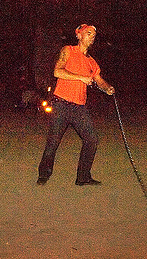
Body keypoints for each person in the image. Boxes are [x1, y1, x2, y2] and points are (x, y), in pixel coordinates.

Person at [37, 24, 115, 186]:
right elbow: (57, 72)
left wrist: (107, 88)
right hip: (61, 105)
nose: (92, 36)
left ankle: (83, 177)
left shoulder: (91, 62)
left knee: (91, 140)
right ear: (79, 35)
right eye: (88, 33)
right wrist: (80, 77)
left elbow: (98, 79)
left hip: (79, 107)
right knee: (53, 142)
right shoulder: (69, 51)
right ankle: (44, 174)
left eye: (94, 34)